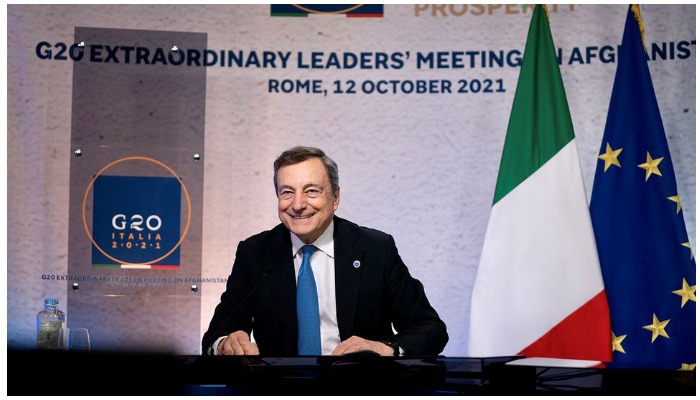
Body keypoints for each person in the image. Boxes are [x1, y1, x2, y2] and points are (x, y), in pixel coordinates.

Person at [202, 146, 448, 356]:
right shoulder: (255, 253)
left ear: (336, 197)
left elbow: (430, 328)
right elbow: (215, 336)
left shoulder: (374, 250)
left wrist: (387, 349)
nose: (298, 205)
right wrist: (225, 343)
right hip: (280, 388)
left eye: (311, 191)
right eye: (287, 192)